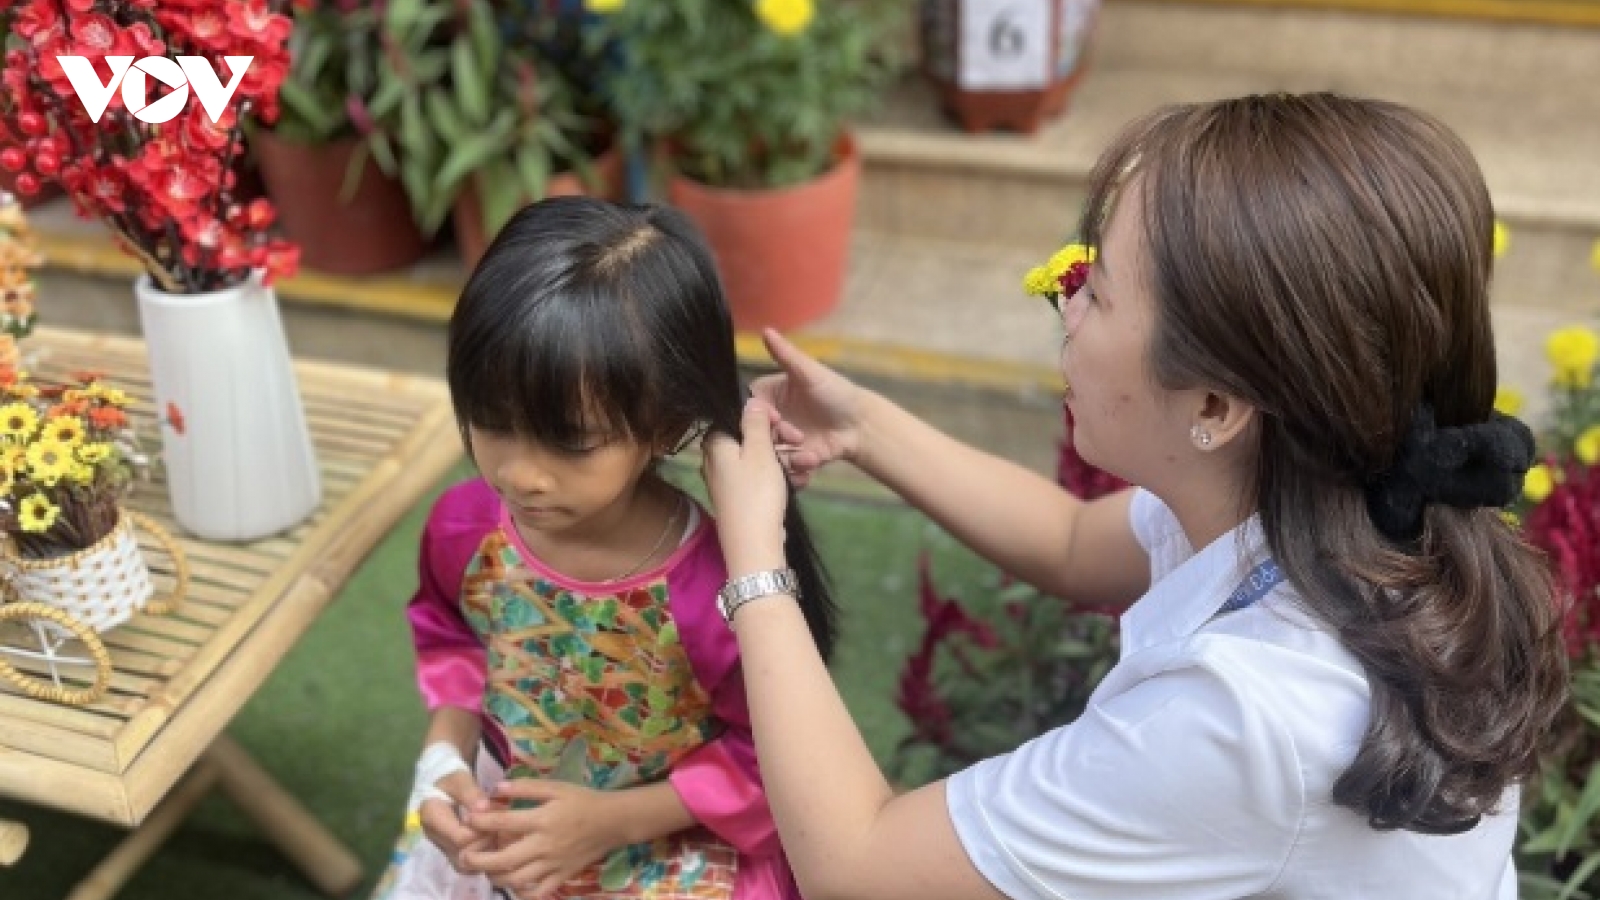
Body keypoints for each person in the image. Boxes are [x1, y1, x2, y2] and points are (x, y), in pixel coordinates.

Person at [700, 93, 1572, 899]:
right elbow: (1075, 543)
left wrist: (754, 557)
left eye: (1100, 292)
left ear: (1215, 407)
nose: (1066, 302)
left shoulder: (1246, 718)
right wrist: (863, 426)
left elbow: (856, 864)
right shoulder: (1331, 498)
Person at [373, 196, 835, 900]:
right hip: (507, 830)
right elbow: (454, 643)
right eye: (491, 421)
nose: (520, 473)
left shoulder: (724, 590)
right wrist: (442, 759)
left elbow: (773, 761)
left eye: (571, 441)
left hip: (665, 850)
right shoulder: (465, 528)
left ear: (665, 421)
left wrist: (612, 821)